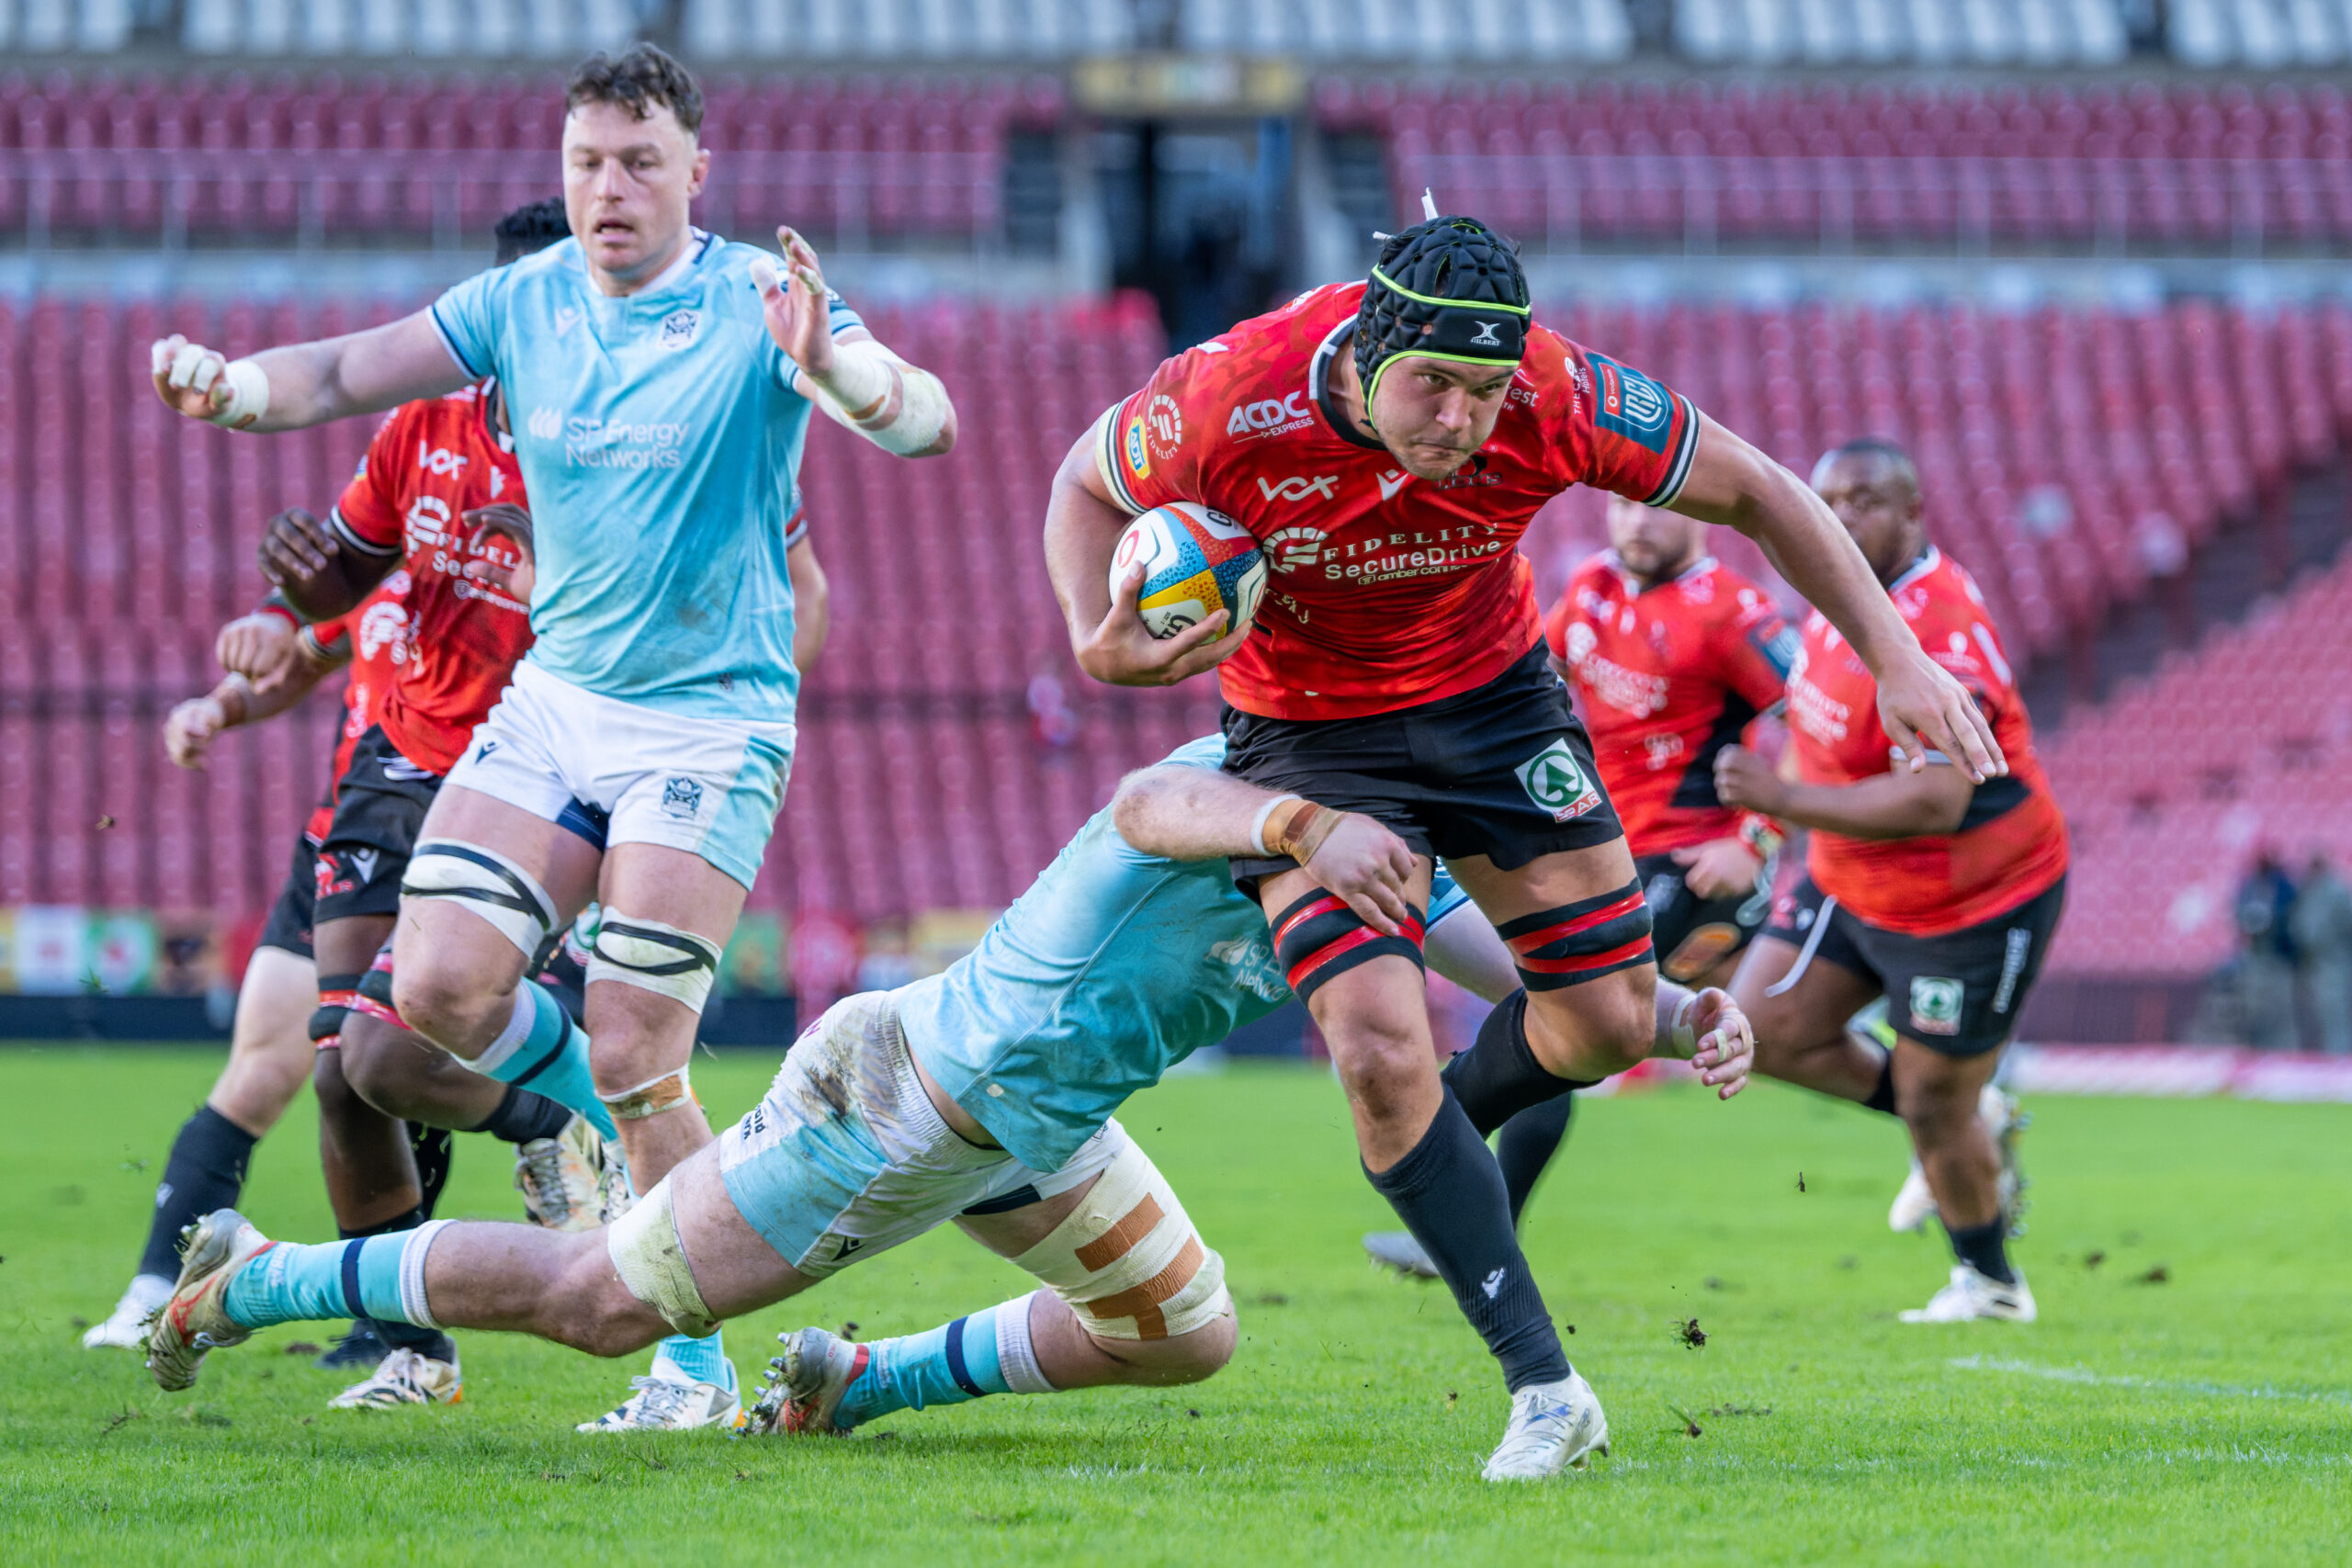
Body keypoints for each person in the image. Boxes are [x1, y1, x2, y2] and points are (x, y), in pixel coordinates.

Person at [1043, 210, 2001, 1475]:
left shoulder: (1558, 390)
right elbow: (1083, 482)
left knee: (1604, 1026)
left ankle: (1447, 1124)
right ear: (1365, 346)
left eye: (1484, 391)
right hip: (1308, 736)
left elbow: (1763, 491)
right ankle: (1545, 1385)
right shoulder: (1229, 394)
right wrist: (1095, 636)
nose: (1460, 419)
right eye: (1432, 385)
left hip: (1494, 708)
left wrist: (1898, 659)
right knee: (1377, 1052)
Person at [146, 737, 1753, 1473]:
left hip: (1035, 1128)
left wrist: (1676, 1009)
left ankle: (859, 1385)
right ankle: (259, 1277)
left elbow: (1510, 958)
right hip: (898, 1102)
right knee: (597, 1303)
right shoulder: (1245, 785)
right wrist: (1292, 824)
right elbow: (1147, 799)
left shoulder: (1379, 835)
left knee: (1186, 1331)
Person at [148, 43, 954, 1430]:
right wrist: (231, 388)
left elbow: (926, 421)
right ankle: (613, 1125)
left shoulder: (759, 298)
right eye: (587, 162)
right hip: (558, 700)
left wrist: (839, 369)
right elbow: (341, 367)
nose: (609, 188)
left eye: (640, 162)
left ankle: (690, 1365)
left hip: (707, 722)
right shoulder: (522, 300)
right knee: (436, 991)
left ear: (696, 171)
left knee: (640, 1048)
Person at [1363, 493, 1796, 1277]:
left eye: (1655, 510)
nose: (1637, 523)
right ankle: (1946, 1102)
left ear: (1696, 515)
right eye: (1623, 507)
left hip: (1696, 862)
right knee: (1789, 1036)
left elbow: (1810, 724)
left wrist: (1754, 840)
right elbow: (1533, 683)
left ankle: (1468, 1231)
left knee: (1564, 1004)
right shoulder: (1592, 587)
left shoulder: (1734, 611)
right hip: (1605, 848)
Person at [1713, 437, 2068, 1325]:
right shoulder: (1837, 598)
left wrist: (1783, 802)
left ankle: (1991, 1283)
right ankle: (1970, 1111)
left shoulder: (1938, 626)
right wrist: (1776, 825)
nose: (1840, 517)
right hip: (1849, 877)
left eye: (1864, 501)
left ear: (1913, 513)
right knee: (1761, 1029)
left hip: (1972, 901)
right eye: (1826, 499)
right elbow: (1816, 735)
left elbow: (1938, 801)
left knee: (1930, 1099)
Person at [80, 593, 385, 1349]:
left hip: (454, 845)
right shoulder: (378, 562)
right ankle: (155, 1292)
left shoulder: (513, 569)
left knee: (391, 1074)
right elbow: (298, 661)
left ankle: (394, 1328)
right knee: (260, 1074)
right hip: (339, 847)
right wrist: (217, 707)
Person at [2234, 849, 2301, 1051]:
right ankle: (2258, 1048)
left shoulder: (2283, 885)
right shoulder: (2250, 885)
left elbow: (2291, 915)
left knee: (2282, 1008)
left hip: (2280, 956)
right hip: (2257, 956)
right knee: (2256, 1007)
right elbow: (2238, 913)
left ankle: (2286, 1050)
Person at [2291, 852, 2352, 1056]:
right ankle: (2330, 1057)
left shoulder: (2337, 891)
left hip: (2335, 961)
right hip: (2314, 963)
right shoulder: (2309, 891)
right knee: (2322, 1015)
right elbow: (2300, 925)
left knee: (2337, 1014)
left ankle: (2341, 1058)